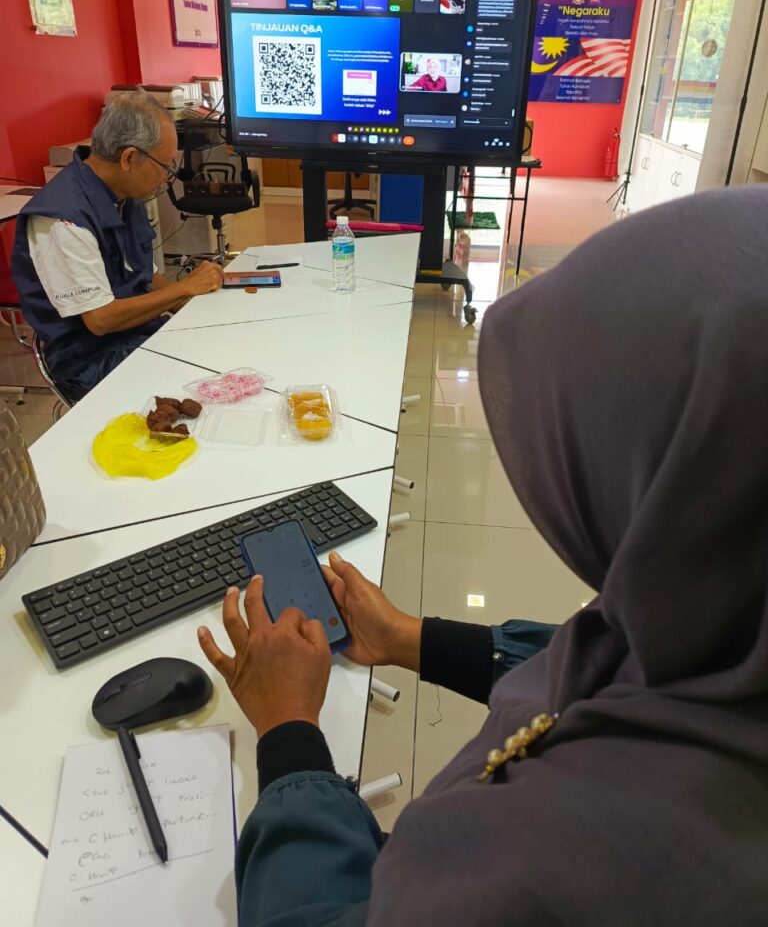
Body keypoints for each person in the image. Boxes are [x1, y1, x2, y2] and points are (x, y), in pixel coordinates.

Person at [198, 185, 768, 926]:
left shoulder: (588, 846)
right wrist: (409, 638)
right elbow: (594, 658)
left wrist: (288, 735)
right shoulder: (717, 622)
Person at [12, 93, 224, 401]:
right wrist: (185, 288)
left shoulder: (123, 194)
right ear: (128, 158)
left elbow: (147, 277)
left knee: (224, 349)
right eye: (165, 167)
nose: (167, 178)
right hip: (91, 359)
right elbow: (101, 320)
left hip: (137, 333)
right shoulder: (63, 220)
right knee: (212, 387)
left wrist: (199, 310)